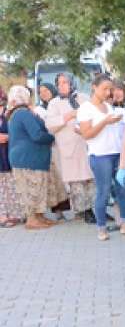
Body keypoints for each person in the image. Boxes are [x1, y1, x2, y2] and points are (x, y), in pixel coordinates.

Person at [77, 73, 125, 240]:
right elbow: (86, 134)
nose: (108, 92)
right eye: (105, 89)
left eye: (110, 89)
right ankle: (101, 227)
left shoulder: (108, 107)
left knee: (122, 190)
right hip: (100, 156)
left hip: (116, 153)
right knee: (104, 191)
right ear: (94, 88)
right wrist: (105, 122)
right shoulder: (86, 108)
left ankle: (124, 224)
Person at [7, 85, 58, 230]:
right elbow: (37, 134)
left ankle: (39, 216)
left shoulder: (16, 113)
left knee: (38, 189)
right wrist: (51, 137)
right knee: (31, 189)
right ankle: (32, 220)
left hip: (29, 158)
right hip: (28, 158)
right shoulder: (23, 113)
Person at [44, 79, 95, 223]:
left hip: (86, 145)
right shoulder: (54, 103)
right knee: (76, 182)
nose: (61, 86)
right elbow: (50, 125)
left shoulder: (83, 98)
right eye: (59, 83)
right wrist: (69, 116)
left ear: (72, 83)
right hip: (69, 148)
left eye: (65, 82)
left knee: (90, 180)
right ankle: (84, 211)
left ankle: (94, 209)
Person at [0, 89, 19, 227]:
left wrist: (9, 137)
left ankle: (13, 214)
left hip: (9, 154)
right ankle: (2, 216)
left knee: (10, 186)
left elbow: (19, 132)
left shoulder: (10, 112)